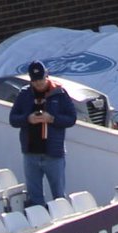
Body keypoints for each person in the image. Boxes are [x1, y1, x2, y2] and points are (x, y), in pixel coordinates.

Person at [8, 60, 77, 208]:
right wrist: (28, 119)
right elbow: (13, 119)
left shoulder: (59, 93)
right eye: (35, 80)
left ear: (46, 76)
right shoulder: (25, 94)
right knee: (35, 196)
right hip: (31, 152)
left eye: (41, 79)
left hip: (53, 153)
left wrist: (51, 119)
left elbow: (71, 118)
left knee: (59, 195)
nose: (38, 83)